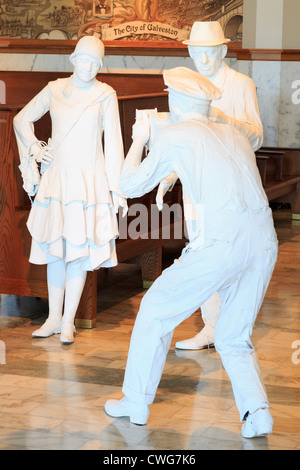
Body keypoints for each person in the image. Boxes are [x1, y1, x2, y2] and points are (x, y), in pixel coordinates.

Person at [104, 66, 278, 438]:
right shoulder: (232, 134)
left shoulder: (178, 134)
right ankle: (257, 412)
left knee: (154, 311)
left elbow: (129, 184)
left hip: (221, 244)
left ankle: (135, 401)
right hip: (264, 242)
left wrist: (138, 139)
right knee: (233, 335)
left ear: (175, 99)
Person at [158, 21, 264, 351]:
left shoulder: (241, 84)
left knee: (234, 252)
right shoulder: (188, 87)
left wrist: (223, 119)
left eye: (210, 52)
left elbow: (257, 136)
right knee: (204, 252)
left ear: (222, 50)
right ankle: (212, 326)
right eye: (197, 52)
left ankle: (235, 326)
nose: (203, 59)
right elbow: (182, 140)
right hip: (197, 183)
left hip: (233, 185)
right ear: (190, 52)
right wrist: (169, 175)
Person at [13, 35, 127, 344]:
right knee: (55, 252)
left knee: (77, 253)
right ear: (73, 59)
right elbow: (22, 119)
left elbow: (114, 143)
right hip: (58, 180)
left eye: (96, 63)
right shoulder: (55, 89)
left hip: (88, 181)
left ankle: (67, 321)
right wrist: (35, 148)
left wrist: (117, 189)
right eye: (85, 60)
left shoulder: (105, 95)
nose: (89, 67)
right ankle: (52, 318)